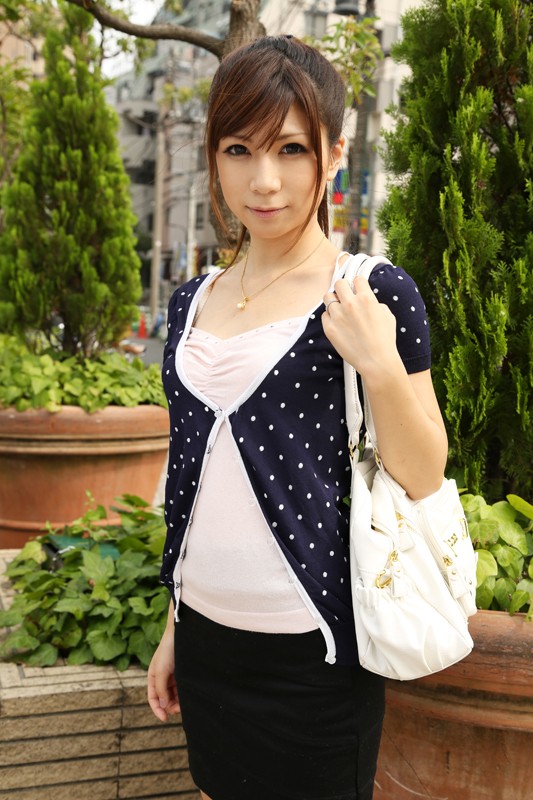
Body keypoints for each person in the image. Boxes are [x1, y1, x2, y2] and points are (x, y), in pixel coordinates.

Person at [147, 35, 448, 800]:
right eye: (239, 149)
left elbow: (423, 472)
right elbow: (193, 480)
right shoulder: (190, 302)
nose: (264, 180)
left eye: (290, 149)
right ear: (214, 156)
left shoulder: (370, 292)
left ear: (334, 153)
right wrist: (174, 627)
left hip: (313, 657)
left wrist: (378, 364)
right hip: (207, 643)